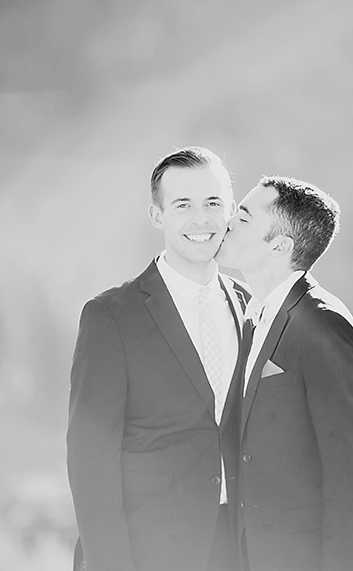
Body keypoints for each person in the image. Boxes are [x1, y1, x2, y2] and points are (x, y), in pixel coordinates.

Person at [67, 147, 250, 571]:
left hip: (239, 549)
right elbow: (90, 459)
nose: (201, 219)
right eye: (183, 205)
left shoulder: (251, 307)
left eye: (212, 203)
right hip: (147, 550)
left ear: (230, 211)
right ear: (158, 215)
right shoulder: (111, 315)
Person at [216, 176, 353, 571]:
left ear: (280, 245)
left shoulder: (324, 324)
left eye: (243, 218)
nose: (227, 222)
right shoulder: (253, 317)